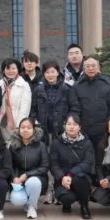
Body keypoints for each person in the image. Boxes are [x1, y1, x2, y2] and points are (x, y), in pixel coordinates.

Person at [30, 60, 80, 204]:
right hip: (44, 132)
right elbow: (33, 109)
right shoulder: (38, 89)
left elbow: (74, 108)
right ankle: (48, 191)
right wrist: (36, 122)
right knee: (45, 162)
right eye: (47, 72)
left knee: (60, 161)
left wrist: (68, 124)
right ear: (43, 74)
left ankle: (59, 190)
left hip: (61, 131)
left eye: (53, 72)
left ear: (58, 72)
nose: (50, 75)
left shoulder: (67, 89)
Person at [50, 114, 95, 219]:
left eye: (75, 124)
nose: (71, 127)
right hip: (62, 179)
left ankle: (84, 206)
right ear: (64, 126)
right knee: (66, 198)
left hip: (81, 178)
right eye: (69, 124)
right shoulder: (56, 143)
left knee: (78, 179)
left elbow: (87, 162)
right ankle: (67, 204)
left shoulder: (87, 143)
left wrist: (70, 174)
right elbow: (53, 163)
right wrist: (62, 177)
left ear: (80, 127)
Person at [72, 57, 110, 150]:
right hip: (84, 129)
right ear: (83, 68)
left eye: (93, 66)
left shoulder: (107, 84)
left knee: (101, 155)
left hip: (103, 130)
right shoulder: (77, 85)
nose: (91, 68)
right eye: (88, 66)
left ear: (99, 67)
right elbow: (74, 107)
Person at [8, 118, 49, 219]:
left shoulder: (41, 146)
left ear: (34, 130)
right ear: (19, 129)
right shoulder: (13, 146)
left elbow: (45, 166)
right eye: (22, 127)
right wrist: (14, 177)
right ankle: (28, 201)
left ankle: (32, 206)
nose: (25, 130)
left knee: (32, 182)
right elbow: (9, 165)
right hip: (19, 181)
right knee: (17, 200)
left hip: (37, 179)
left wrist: (27, 175)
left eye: (29, 128)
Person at [0, 57, 33, 136]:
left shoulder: (24, 85)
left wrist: (20, 125)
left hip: (16, 122)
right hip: (1, 121)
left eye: (13, 68)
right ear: (3, 70)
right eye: (8, 69)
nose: (11, 71)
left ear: (18, 70)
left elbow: (25, 107)